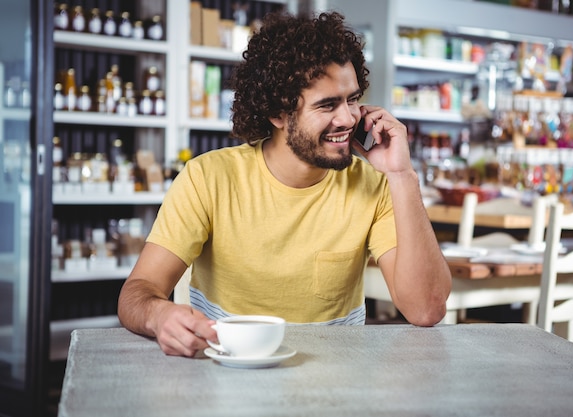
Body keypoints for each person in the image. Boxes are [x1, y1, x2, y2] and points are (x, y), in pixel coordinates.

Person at [118, 11, 451, 357]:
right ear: (278, 113)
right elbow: (137, 292)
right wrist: (160, 316)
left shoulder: (375, 185)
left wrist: (401, 176)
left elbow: (426, 310)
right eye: (327, 105)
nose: (349, 118)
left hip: (338, 387)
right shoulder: (208, 179)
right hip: (228, 377)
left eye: (352, 99)